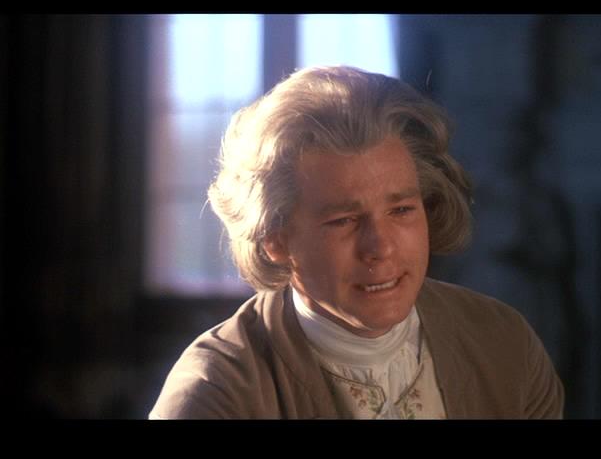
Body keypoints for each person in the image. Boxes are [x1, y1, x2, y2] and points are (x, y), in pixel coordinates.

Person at [149, 65, 564, 419]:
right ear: (275, 239)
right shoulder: (215, 393)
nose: (380, 247)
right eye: (343, 221)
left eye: (401, 210)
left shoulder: (504, 342)